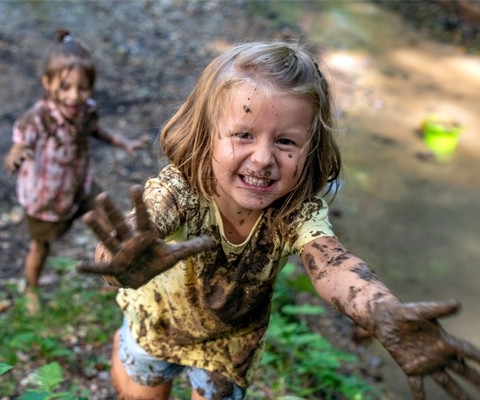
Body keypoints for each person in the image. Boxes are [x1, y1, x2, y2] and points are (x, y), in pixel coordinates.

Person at [78, 41, 480, 399]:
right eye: (244, 135)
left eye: (285, 141)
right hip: (157, 321)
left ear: (311, 150)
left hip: (230, 343)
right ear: (206, 135)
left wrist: (381, 311)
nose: (264, 159)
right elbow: (124, 241)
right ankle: (123, 347)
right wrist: (121, 263)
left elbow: (333, 266)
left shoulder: (293, 212)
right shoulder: (181, 189)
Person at [3, 30, 146, 314]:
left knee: (110, 224)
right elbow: (16, 147)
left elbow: (95, 130)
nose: (74, 96)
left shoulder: (86, 109)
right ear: (47, 83)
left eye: (82, 88)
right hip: (47, 198)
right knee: (41, 246)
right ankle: (32, 287)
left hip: (81, 185)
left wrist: (123, 142)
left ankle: (112, 272)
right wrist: (16, 157)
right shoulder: (38, 119)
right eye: (65, 87)